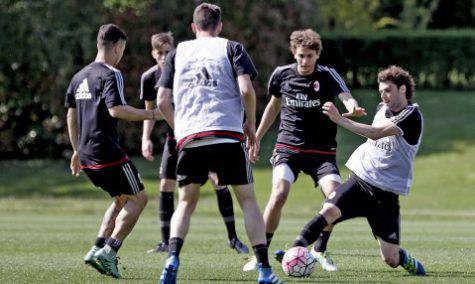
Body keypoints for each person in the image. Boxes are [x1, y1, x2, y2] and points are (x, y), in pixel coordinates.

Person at [156, 3, 282, 284]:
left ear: (193, 27)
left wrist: (181, 129)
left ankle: (172, 257)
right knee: (247, 200)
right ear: (219, 25)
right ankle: (264, 270)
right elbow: (246, 89)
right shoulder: (231, 47)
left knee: (186, 202)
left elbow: (163, 102)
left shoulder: (178, 53)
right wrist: (249, 123)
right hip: (227, 134)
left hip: (190, 137)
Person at [243, 28, 366, 272]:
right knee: (279, 194)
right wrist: (256, 137)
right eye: (300, 56)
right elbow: (273, 106)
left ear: (317, 55)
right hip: (288, 147)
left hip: (322, 152)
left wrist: (352, 108)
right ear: (293, 52)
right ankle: (260, 254)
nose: (305, 61)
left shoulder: (327, 75)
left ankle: (319, 250)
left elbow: (347, 97)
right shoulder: (281, 75)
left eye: (309, 56)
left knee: (334, 197)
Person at [288, 65, 426, 275]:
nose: (383, 95)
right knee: (329, 211)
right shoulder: (381, 107)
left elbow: (375, 133)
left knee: (390, 258)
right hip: (359, 181)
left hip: (386, 195)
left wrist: (340, 119)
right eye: (381, 91)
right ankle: (293, 251)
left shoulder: (412, 116)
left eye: (388, 90)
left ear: (403, 89)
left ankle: (402, 257)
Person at [65, 24, 160, 279]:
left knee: (120, 198)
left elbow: (71, 116)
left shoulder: (79, 76)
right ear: (117, 47)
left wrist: (76, 150)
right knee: (139, 199)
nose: (121, 55)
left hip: (86, 155)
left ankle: (96, 247)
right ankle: (109, 252)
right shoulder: (110, 74)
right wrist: (153, 113)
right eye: (122, 50)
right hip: (106, 152)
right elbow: (116, 110)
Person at [140, 32, 248, 254]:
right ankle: (165, 242)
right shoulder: (149, 77)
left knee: (219, 182)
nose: (163, 57)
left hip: (197, 134)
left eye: (167, 52)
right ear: (153, 54)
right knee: (166, 186)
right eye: (159, 53)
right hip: (175, 139)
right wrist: (145, 138)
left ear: (174, 51)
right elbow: (150, 109)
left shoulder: (184, 68)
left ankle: (233, 237)